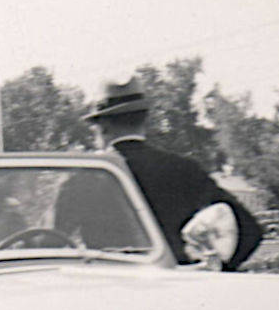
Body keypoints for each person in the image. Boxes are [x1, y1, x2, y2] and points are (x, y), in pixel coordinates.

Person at [61, 78, 262, 270]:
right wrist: (213, 270)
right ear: (144, 119)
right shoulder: (185, 169)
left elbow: (55, 240)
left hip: (108, 291)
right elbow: (250, 230)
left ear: (103, 126)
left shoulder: (83, 179)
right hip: (175, 291)